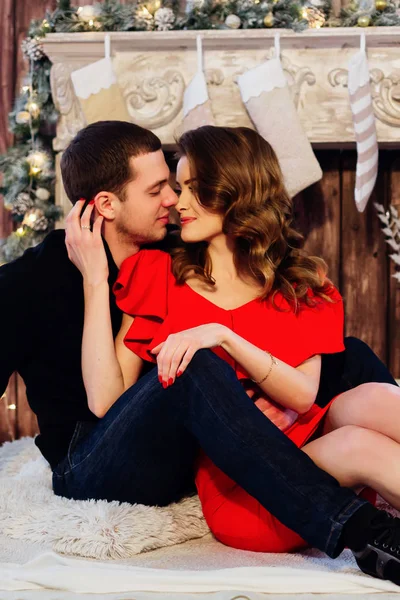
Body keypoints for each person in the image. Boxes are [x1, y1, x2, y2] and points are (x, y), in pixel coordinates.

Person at [0, 121, 399, 585]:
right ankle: (363, 529)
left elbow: (303, 390)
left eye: (182, 187)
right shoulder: (35, 282)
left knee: (349, 357)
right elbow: (107, 403)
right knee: (197, 366)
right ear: (107, 204)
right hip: (90, 456)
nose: (174, 201)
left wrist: (226, 334)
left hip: (185, 444)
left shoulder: (181, 253)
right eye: (160, 190)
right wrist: (94, 279)